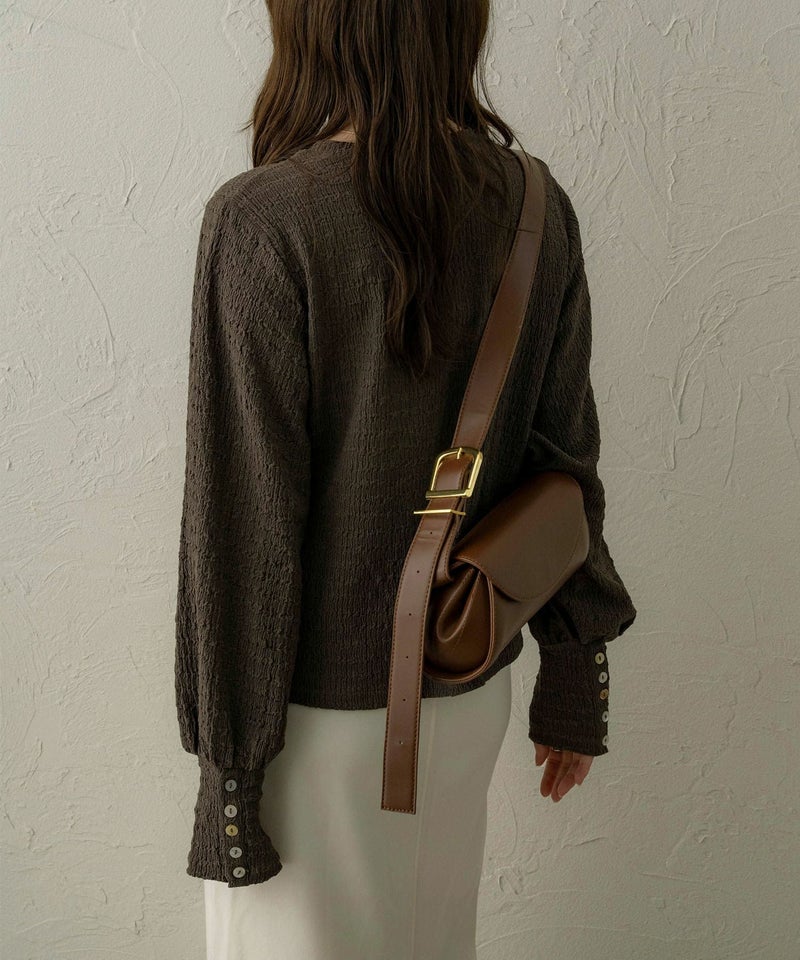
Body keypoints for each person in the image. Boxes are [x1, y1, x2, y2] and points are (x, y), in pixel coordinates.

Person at [173, 2, 637, 958]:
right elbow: (564, 460)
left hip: (317, 729)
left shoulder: (265, 220)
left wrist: (230, 779)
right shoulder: (534, 203)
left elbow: (241, 527)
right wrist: (576, 667)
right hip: (468, 686)